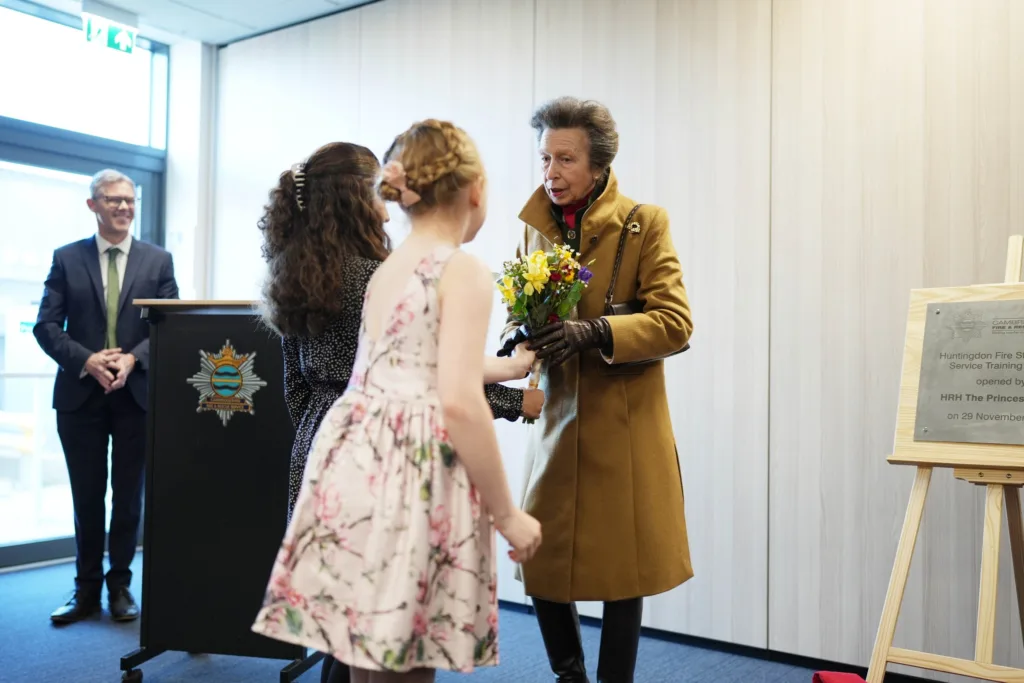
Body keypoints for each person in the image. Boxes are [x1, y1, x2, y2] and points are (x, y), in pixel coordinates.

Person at [252, 119, 543, 683]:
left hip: (349, 462)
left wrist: (508, 366)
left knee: (366, 652)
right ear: (475, 188)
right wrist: (507, 514)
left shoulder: (387, 272)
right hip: (411, 478)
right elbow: (457, 401)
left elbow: (408, 363)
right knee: (406, 655)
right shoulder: (461, 271)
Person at [499, 97, 694, 682]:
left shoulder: (644, 223)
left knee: (622, 568)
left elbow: (676, 323)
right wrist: (514, 341)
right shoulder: (535, 230)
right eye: (544, 158)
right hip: (556, 417)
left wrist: (596, 331)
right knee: (539, 553)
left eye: (566, 159)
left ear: (599, 163)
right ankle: (570, 675)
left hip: (624, 423)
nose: (551, 173)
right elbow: (515, 310)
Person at [34, 169, 179, 624]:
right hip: (81, 395)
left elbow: (169, 325)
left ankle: (120, 587)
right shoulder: (66, 258)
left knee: (128, 497)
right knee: (87, 496)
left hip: (135, 395)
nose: (123, 207)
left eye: (129, 200)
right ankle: (85, 591)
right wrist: (88, 359)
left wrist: (133, 359)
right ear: (93, 205)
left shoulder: (158, 261)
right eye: (113, 200)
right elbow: (46, 325)